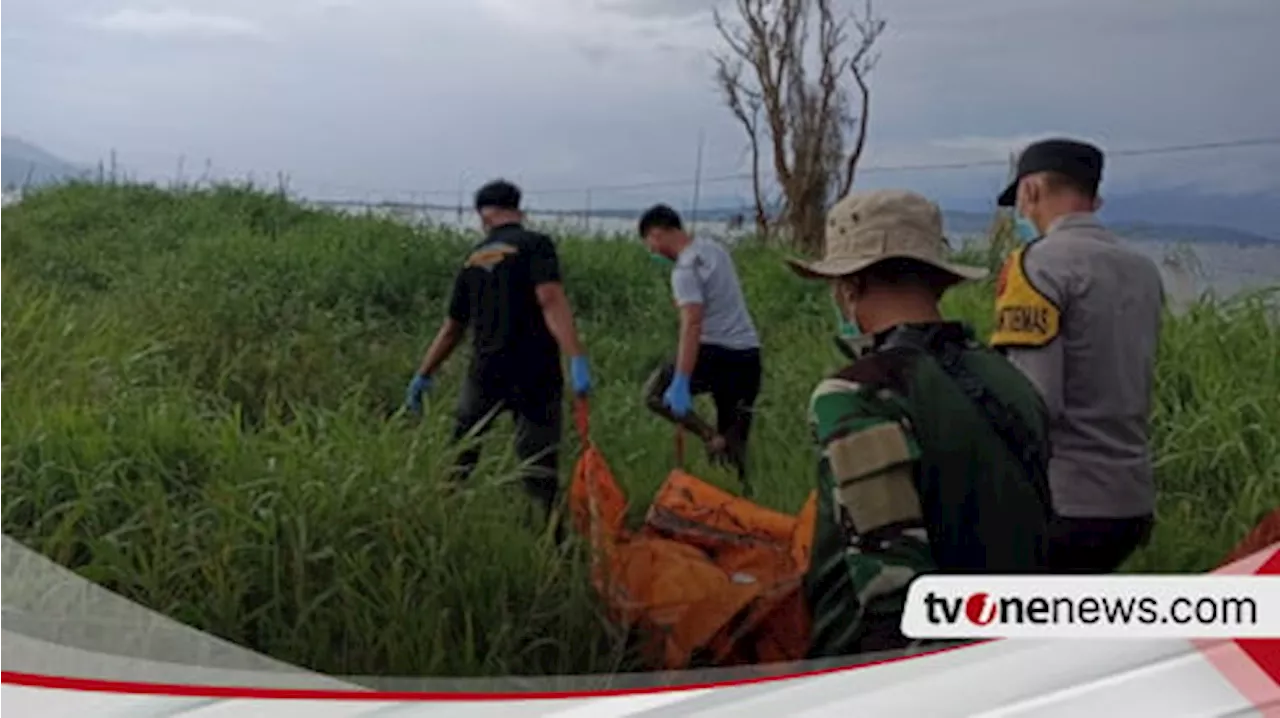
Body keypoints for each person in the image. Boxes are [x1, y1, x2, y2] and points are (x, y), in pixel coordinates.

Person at [786, 189, 1054, 659]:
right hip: (1008, 655)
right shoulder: (1011, 381)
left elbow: (892, 593)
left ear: (849, 287)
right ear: (939, 284)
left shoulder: (856, 395)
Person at [991, 138, 1166, 574]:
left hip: (1064, 501)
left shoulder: (1036, 265)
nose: (1023, 214)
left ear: (1030, 191)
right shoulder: (1143, 271)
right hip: (1131, 500)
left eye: (1021, 202)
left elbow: (1033, 402)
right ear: (1095, 197)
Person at [405, 179, 592, 529]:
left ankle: (439, 526)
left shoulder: (473, 258)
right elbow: (550, 299)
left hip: (485, 372)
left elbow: (451, 329)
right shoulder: (536, 244)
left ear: (483, 216)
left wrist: (424, 374)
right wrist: (576, 357)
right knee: (539, 469)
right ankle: (556, 545)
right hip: (536, 373)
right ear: (518, 210)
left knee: (461, 455)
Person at [637, 204, 763, 492]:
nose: (654, 252)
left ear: (657, 233)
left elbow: (692, 323)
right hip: (748, 355)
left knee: (654, 395)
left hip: (713, 352)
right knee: (735, 444)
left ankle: (709, 436)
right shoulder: (715, 249)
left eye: (651, 245)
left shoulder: (684, 269)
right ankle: (742, 507)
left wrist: (682, 379)